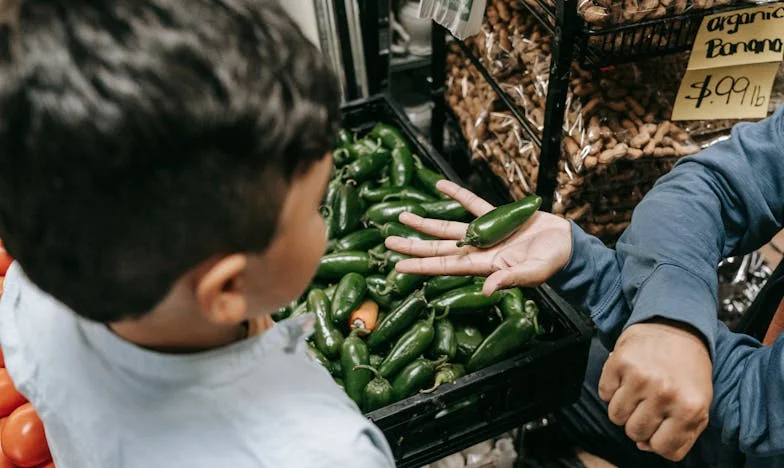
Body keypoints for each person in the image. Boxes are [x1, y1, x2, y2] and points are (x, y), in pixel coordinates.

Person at [0, 1, 394, 467]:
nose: (324, 222)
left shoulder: (31, 304)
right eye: (314, 209)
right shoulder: (327, 453)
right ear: (228, 287)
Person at [386, 105, 784, 467]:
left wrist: (654, 316)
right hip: (736, 383)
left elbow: (759, 404)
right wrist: (670, 319)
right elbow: (710, 186)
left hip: (749, 428)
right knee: (548, 366)